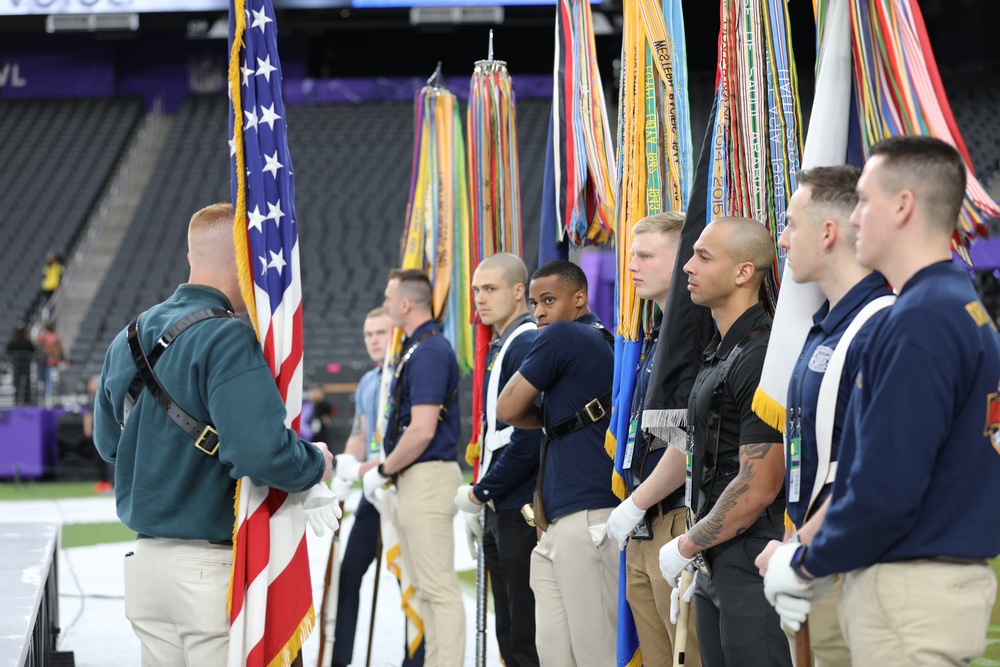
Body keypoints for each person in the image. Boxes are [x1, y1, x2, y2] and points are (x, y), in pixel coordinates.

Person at [763, 136, 1000, 667]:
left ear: (902, 206)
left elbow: (885, 485)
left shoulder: (920, 318)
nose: (854, 218)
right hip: (926, 584)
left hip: (909, 591)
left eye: (865, 200)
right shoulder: (950, 305)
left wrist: (804, 564)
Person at [92, 202, 337, 666]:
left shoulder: (126, 336)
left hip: (146, 566)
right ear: (249, 259)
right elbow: (260, 452)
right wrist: (317, 463)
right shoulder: (227, 336)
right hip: (209, 569)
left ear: (191, 256)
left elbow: (109, 445)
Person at [752, 166, 894, 666]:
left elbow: (872, 469)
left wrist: (804, 549)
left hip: (852, 564)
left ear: (829, 232)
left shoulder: (881, 325)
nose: (783, 240)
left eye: (790, 224)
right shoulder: (826, 326)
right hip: (813, 555)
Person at [657, 217, 791, 666]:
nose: (688, 267)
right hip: (718, 558)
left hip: (751, 558)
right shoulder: (723, 349)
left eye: (703, 256)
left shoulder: (758, 355)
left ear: (743, 272)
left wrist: (686, 544)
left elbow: (759, 484)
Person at [496, 259, 619, 667]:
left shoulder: (563, 336)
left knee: (592, 652)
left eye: (549, 300)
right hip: (569, 516)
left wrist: (541, 417)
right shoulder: (607, 339)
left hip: (585, 515)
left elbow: (507, 407)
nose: (539, 312)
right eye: (534, 303)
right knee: (561, 651)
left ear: (579, 299)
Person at [604, 212, 701, 666]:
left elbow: (686, 440)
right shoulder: (655, 336)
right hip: (645, 522)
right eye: (630, 255)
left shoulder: (695, 337)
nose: (631, 266)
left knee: (688, 652)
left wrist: (636, 502)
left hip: (675, 515)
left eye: (645, 255)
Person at [359, 268, 465, 667]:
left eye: (389, 299)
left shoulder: (431, 350)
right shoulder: (416, 348)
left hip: (426, 475)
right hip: (414, 478)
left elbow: (421, 431)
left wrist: (384, 470)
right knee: (423, 588)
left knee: (437, 588)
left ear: (405, 304)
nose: (386, 305)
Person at [454, 253, 541, 667]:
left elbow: (527, 436)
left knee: (523, 628)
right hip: (500, 502)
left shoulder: (525, 341)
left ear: (519, 291)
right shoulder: (504, 342)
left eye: (490, 289)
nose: (480, 299)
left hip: (518, 502)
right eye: (475, 290)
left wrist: (482, 490)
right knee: (508, 625)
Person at [329, 306, 418, 667]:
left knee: (406, 582)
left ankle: (414, 660)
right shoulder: (368, 382)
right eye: (368, 334)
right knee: (348, 574)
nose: (374, 341)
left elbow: (401, 444)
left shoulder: (404, 375)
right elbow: (359, 435)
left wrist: (361, 467)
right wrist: (344, 471)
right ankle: (339, 659)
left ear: (395, 333)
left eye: (380, 332)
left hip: (399, 488)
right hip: (370, 492)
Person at [6, 321, 35, 405]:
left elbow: (33, 351)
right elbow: (8, 351)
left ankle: (25, 401)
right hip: (18, 366)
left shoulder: (26, 342)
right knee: (18, 385)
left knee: (25, 385)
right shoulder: (14, 342)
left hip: (24, 366)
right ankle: (19, 401)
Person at [36, 320, 65, 403]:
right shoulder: (56, 337)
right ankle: (48, 396)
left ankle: (48, 396)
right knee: (48, 380)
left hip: (45, 362)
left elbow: (39, 349)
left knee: (46, 380)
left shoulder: (43, 337)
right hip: (51, 362)